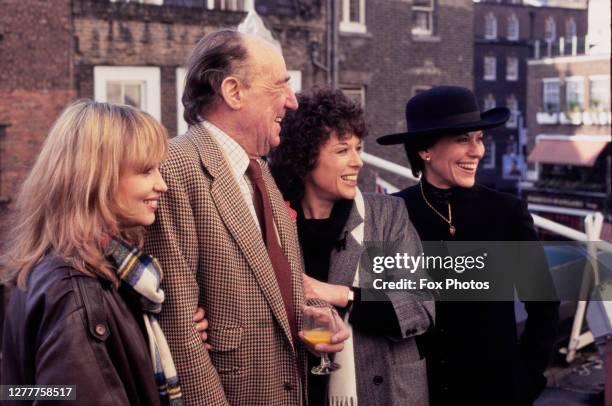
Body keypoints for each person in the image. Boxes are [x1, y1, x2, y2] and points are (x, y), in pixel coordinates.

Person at [144, 30, 348, 405]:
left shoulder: (259, 173)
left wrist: (314, 318)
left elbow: (276, 284)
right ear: (234, 91)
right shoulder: (175, 168)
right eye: (280, 86)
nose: (292, 102)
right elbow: (179, 329)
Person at [377, 85, 560, 406]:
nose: (477, 151)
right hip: (420, 392)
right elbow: (380, 307)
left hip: (498, 392)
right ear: (424, 150)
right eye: (463, 139)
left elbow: (544, 303)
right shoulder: (393, 213)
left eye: (479, 138)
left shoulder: (507, 212)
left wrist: (528, 377)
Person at [1, 100, 184, 405]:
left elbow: (22, 390)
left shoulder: (74, 271)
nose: (161, 184)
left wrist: (174, 332)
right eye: (145, 170)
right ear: (98, 177)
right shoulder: (75, 290)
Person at [270, 88, 434, 406]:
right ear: (305, 155)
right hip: (298, 387)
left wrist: (338, 294)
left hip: (384, 391)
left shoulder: (385, 216)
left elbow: (419, 308)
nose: (357, 161)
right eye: (342, 150)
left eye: (358, 148)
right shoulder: (274, 220)